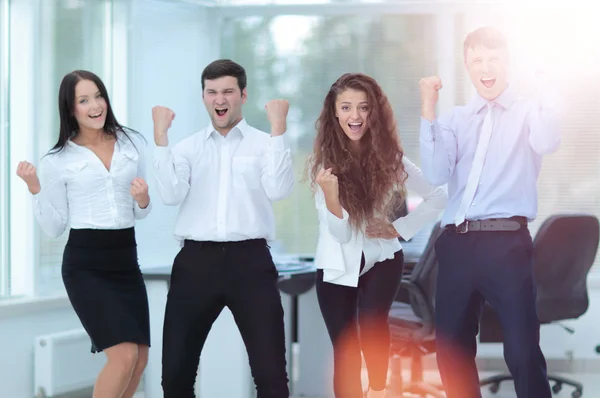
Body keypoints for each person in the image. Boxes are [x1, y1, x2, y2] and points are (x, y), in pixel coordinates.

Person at [419, 26, 561, 398]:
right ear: (467, 65)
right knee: (451, 350)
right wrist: (428, 110)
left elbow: (548, 140)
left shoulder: (530, 112)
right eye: (477, 60)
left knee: (522, 350)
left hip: (506, 244)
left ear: (509, 63)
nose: (486, 67)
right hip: (456, 244)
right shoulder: (454, 120)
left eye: (494, 58)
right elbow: (435, 174)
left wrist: (547, 83)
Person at [152, 59, 294, 398]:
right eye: (212, 91)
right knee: (175, 375)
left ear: (243, 95)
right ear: (203, 97)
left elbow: (278, 190)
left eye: (228, 91)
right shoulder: (186, 147)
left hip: (251, 263)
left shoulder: (265, 143)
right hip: (195, 264)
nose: (220, 98)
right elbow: (170, 194)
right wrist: (161, 138)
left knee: (271, 376)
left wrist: (279, 129)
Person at [308, 72, 447, 398]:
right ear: (335, 113)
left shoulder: (390, 160)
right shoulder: (324, 166)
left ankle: (381, 392)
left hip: (382, 258)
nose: (354, 116)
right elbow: (340, 236)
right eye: (346, 108)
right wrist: (330, 196)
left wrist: (399, 229)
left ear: (374, 113)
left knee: (373, 335)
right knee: (345, 350)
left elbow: (438, 197)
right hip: (336, 265)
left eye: (363, 107)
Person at [16, 70, 152, 398]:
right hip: (86, 264)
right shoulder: (57, 160)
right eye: (84, 100)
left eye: (98, 96)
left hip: (125, 259)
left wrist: (143, 199)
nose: (95, 105)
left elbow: (140, 210)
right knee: (123, 356)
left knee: (140, 360)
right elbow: (54, 226)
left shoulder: (131, 144)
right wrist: (36, 189)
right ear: (71, 109)